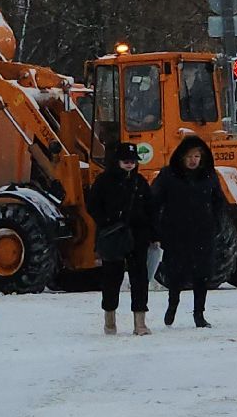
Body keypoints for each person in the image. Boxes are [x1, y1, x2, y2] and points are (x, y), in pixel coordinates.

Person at [151, 134, 225, 329]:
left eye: (196, 157)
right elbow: (154, 201)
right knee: (176, 274)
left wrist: (216, 223)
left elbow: (219, 201)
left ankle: (199, 314)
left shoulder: (209, 176)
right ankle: (172, 305)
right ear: (181, 157)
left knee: (202, 275)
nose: (193, 161)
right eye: (189, 157)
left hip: (203, 232)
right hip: (175, 232)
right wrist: (156, 227)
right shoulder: (168, 175)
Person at [86, 140, 153, 336]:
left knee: (139, 279)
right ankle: (110, 321)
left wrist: (152, 234)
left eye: (133, 160)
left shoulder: (140, 182)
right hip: (113, 237)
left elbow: (151, 209)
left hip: (137, 237)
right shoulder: (103, 181)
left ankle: (139, 323)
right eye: (126, 160)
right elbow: (92, 205)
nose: (130, 164)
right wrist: (107, 221)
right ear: (117, 161)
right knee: (111, 278)